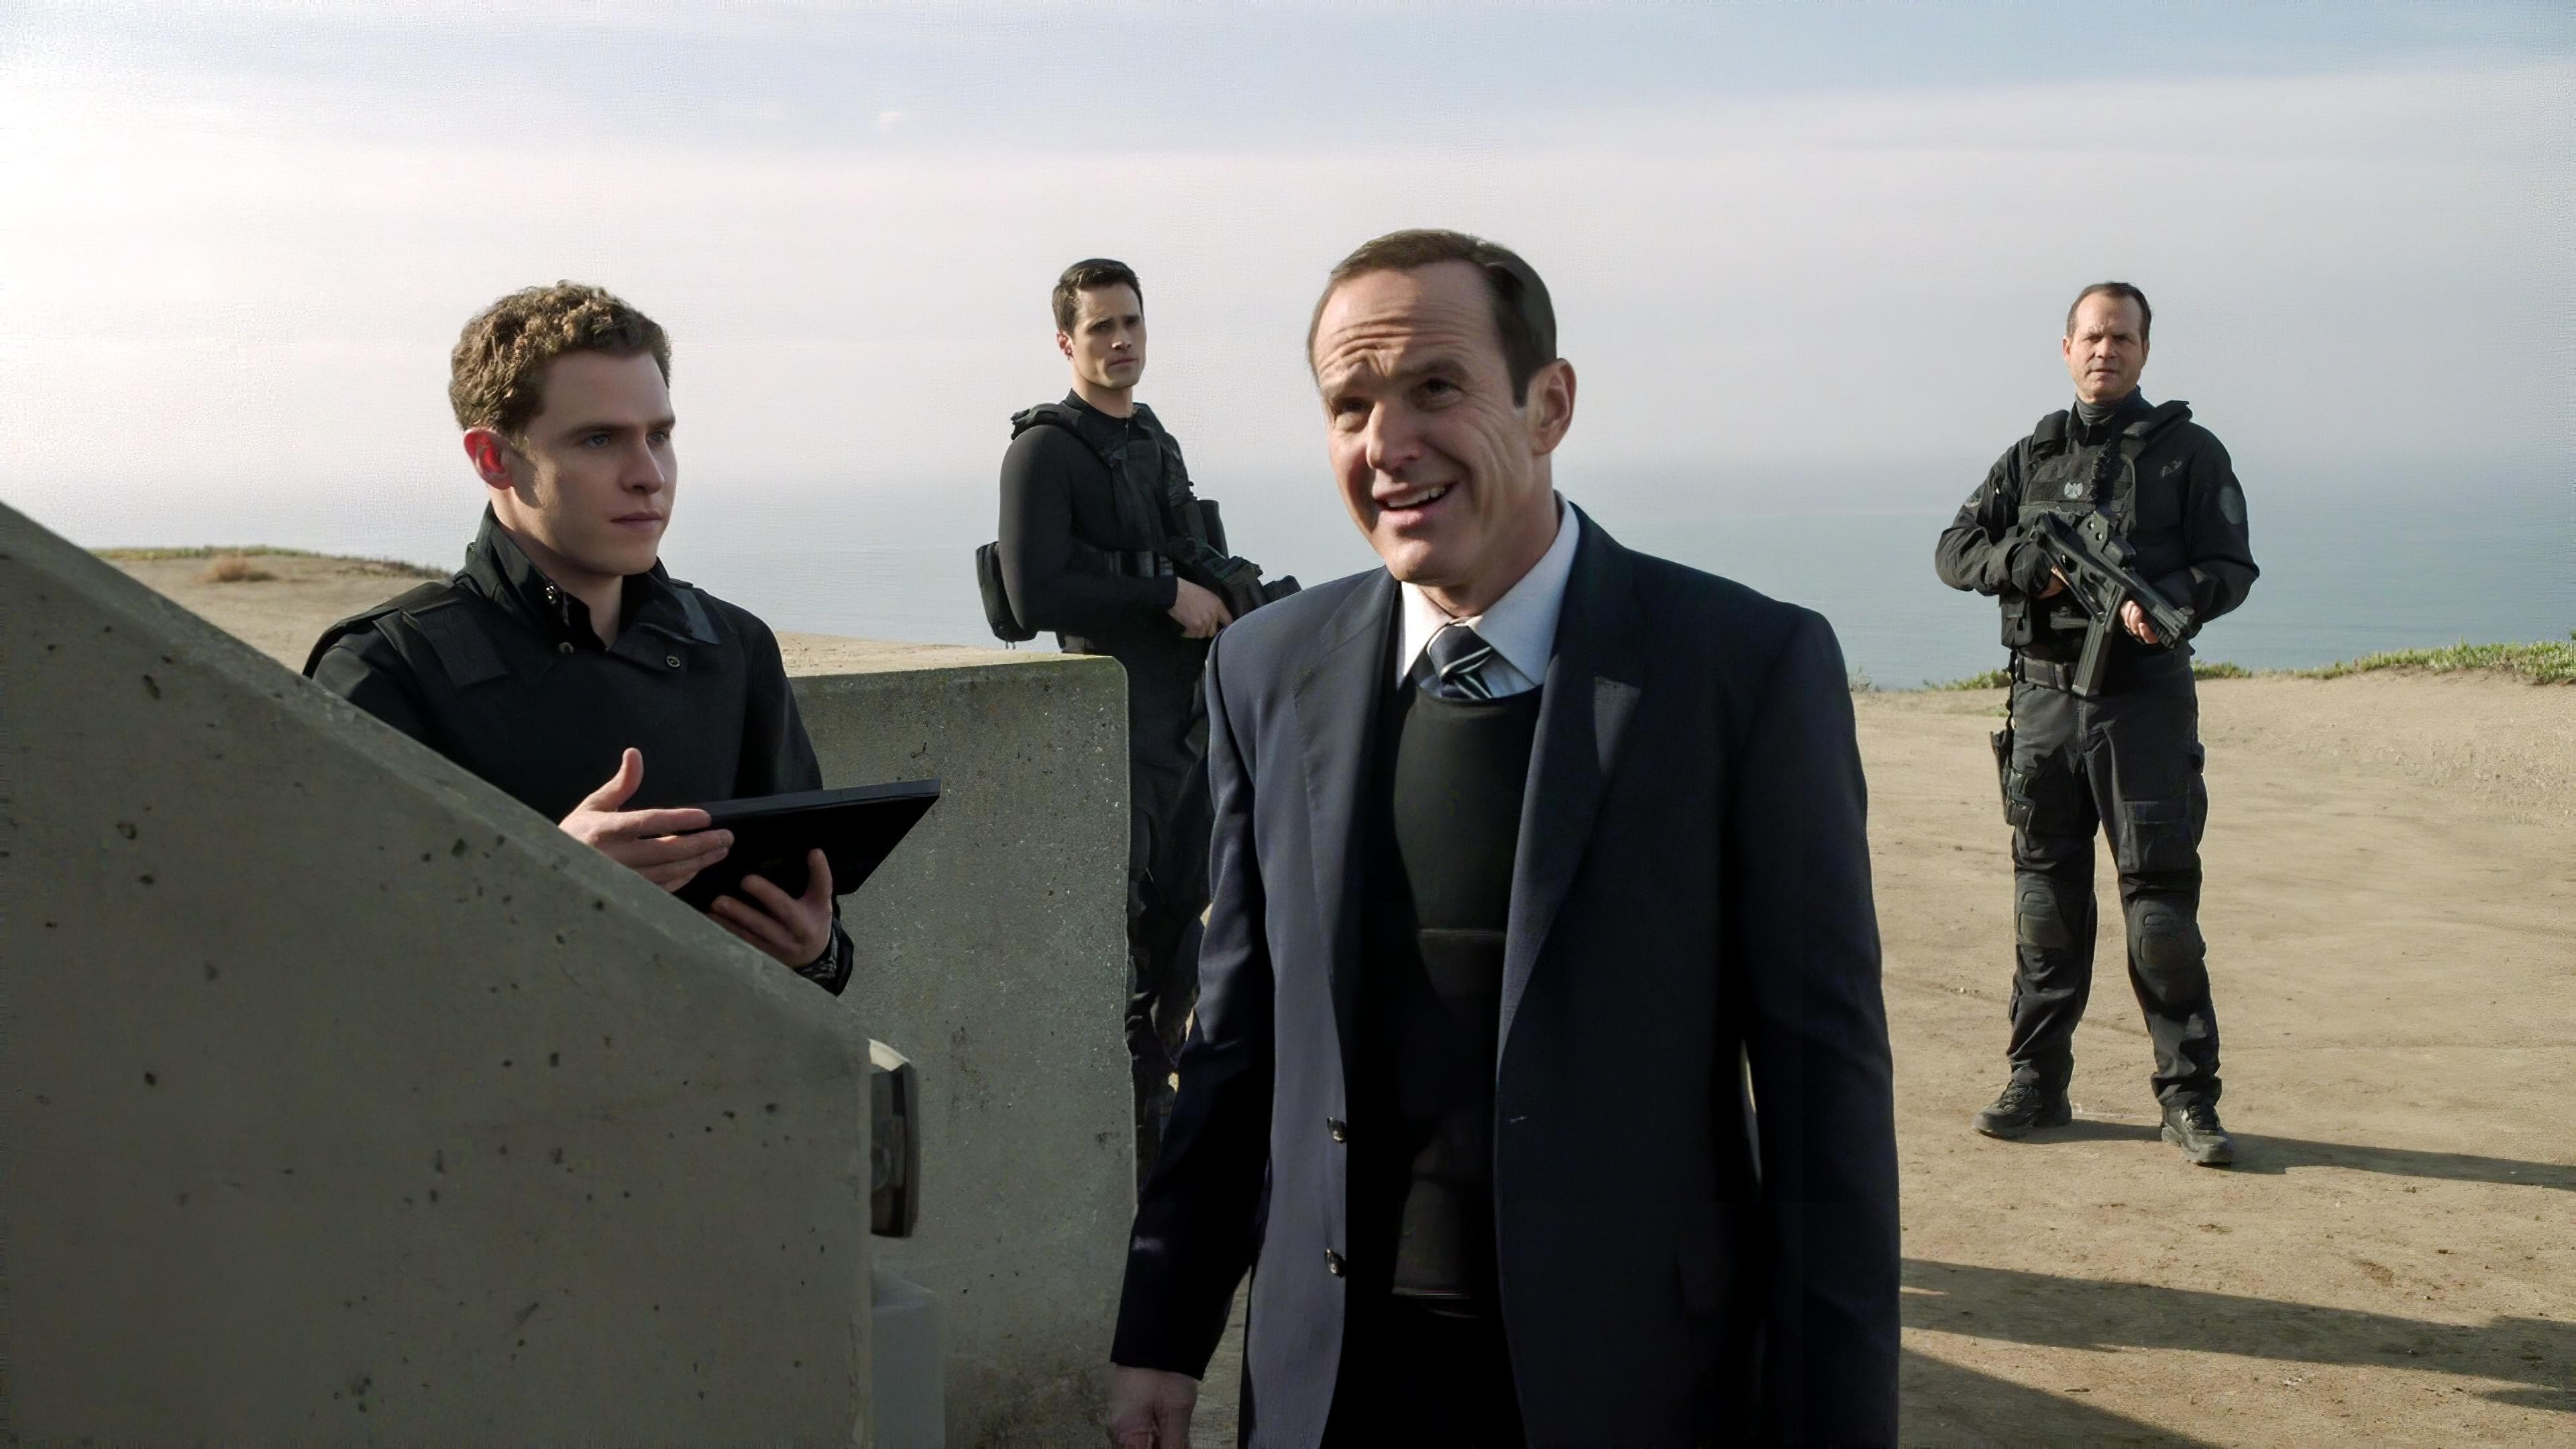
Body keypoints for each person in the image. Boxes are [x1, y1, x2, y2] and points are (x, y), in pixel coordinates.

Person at [1107, 230, 1899, 1448]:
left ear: (1550, 406)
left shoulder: (1738, 671)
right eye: (1350, 405)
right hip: (1336, 1390)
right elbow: (1236, 1044)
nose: (1388, 444)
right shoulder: (1267, 670)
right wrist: (1162, 1334)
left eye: (1436, 388)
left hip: (1633, 1387)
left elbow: (1821, 1096)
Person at [305, 282, 853, 994]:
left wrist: (813, 951)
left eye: (660, 436)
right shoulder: (382, 668)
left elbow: (818, 945)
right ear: (493, 458)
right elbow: (341, 963)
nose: (648, 476)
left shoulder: (733, 646)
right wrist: (552, 883)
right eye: (600, 440)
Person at [1934, 282, 2259, 1165]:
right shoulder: (2031, 456)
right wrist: (2020, 562)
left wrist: (2173, 600)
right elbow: (1955, 548)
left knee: (2160, 913)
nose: (2105, 350)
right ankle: (2037, 1081)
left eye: (2122, 338)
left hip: (2143, 706)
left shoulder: (2190, 454)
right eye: (2092, 337)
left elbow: (2231, 566)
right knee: (2044, 903)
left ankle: (2188, 1098)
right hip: (2043, 707)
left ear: (2145, 351)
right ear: (2067, 348)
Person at [995, 259, 1226, 1184]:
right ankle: (1124, 1153)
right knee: (1120, 947)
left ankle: (1163, 1133)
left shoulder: (1154, 441)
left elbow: (1190, 551)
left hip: (1186, 724)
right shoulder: (1044, 452)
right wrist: (1165, 594)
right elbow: (1033, 590)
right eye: (1101, 327)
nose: (1121, 340)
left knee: (1187, 936)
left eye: (1132, 323)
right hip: (1111, 729)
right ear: (1067, 341)